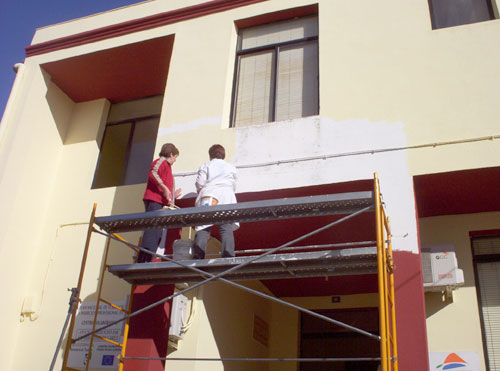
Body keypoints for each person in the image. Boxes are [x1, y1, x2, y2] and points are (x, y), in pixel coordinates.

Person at [137, 143, 181, 263]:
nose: (175, 160)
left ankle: (148, 259)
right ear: (171, 154)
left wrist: (172, 196)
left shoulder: (167, 168)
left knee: (157, 233)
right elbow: (153, 173)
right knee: (152, 231)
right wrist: (165, 188)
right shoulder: (161, 162)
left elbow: (165, 185)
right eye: (175, 157)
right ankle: (143, 260)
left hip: (160, 202)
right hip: (154, 200)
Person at [192, 144, 238, 259]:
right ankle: (228, 256)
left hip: (209, 195)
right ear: (223, 155)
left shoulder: (207, 165)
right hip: (227, 196)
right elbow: (233, 185)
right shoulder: (231, 167)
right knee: (225, 226)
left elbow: (199, 184)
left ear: (210, 156)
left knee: (203, 226)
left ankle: (198, 256)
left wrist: (200, 194)